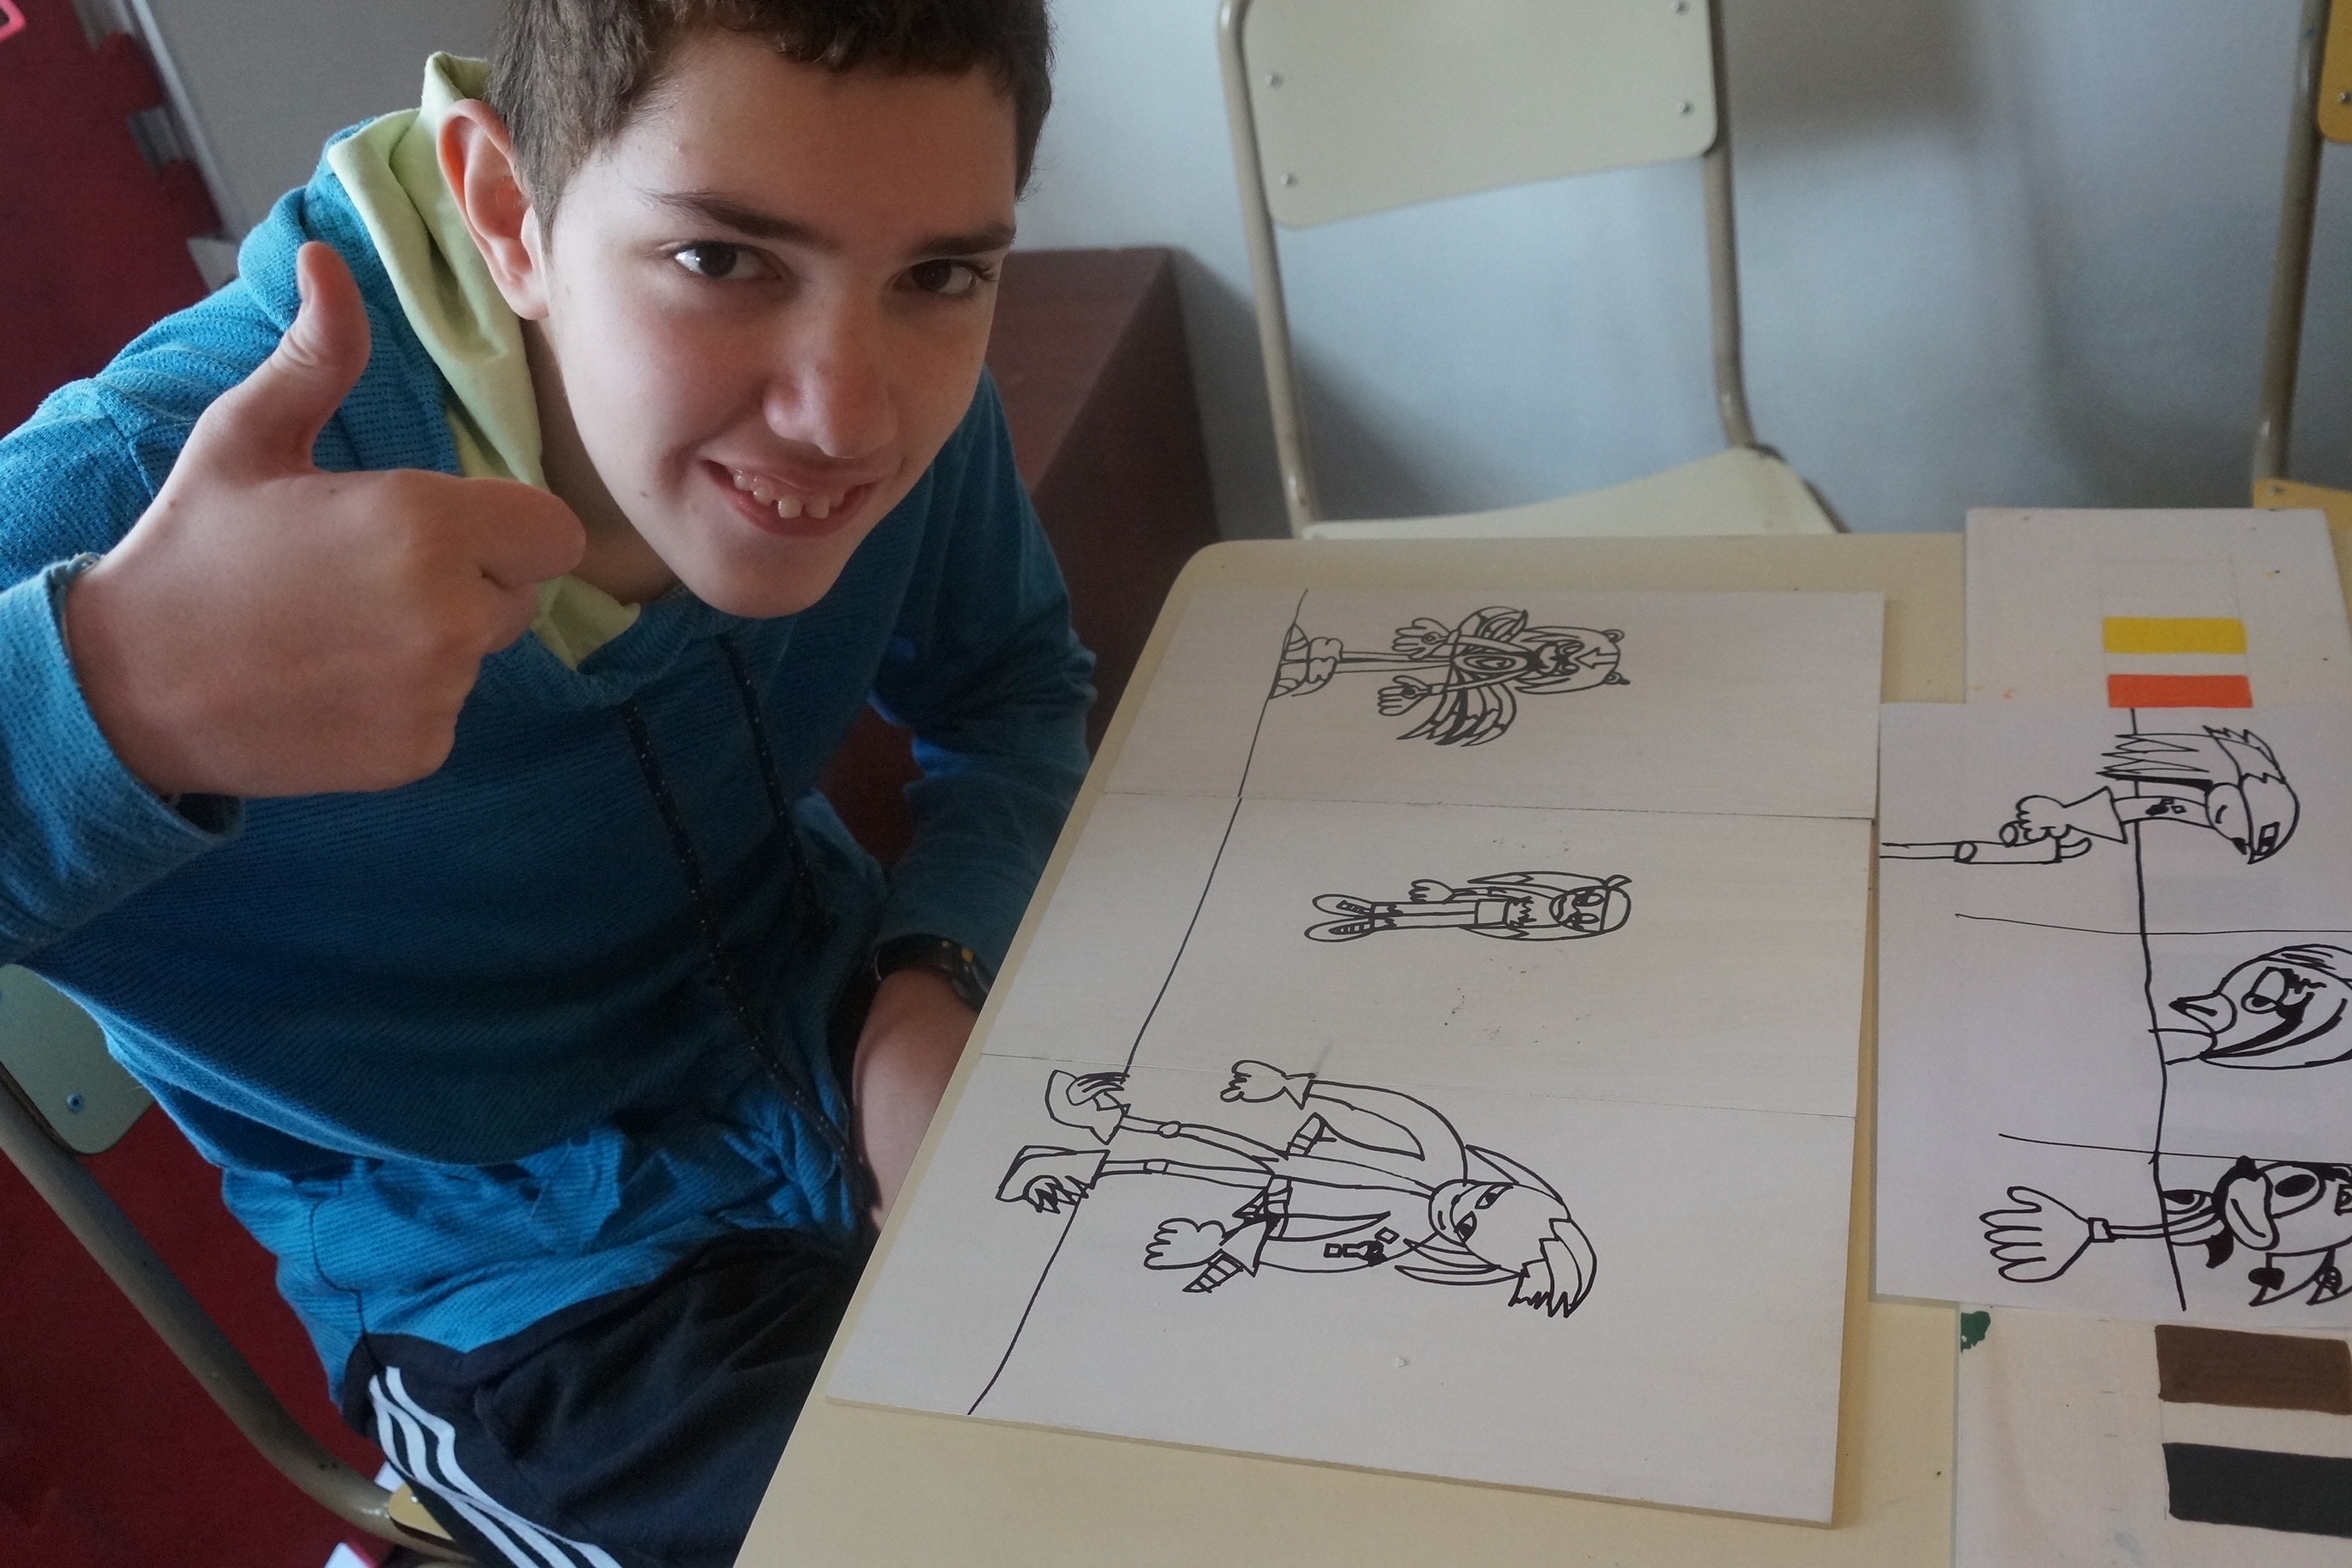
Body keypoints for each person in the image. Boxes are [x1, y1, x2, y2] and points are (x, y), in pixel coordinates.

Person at [0, 3, 1090, 1563]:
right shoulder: (136, 495)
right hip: (516, 1288)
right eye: (721, 259)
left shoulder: (896, 384)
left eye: (942, 275)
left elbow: (1012, 692)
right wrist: (115, 691)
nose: (845, 414)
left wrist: (938, 971)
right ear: (509, 211)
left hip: (860, 1031)